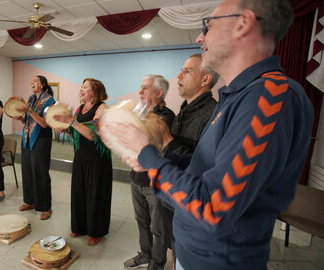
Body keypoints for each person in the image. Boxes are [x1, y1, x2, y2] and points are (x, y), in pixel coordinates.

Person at [109, 0, 314, 269]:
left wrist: (150, 156)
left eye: (208, 25)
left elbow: (213, 209)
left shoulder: (267, 97)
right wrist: (157, 157)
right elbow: (205, 167)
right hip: (192, 252)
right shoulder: (237, 96)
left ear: (243, 24)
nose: (199, 36)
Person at [156, 53, 219, 269]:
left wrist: (167, 140)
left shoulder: (213, 114)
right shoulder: (184, 110)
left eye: (187, 71)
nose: (178, 75)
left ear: (205, 79)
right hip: (172, 199)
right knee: (175, 252)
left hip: (190, 207)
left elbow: (203, 167)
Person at [124, 75, 175, 270]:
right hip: (136, 177)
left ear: (159, 93)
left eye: (145, 88)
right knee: (141, 220)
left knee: (158, 227)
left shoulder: (166, 117)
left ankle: (157, 262)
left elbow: (151, 143)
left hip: (154, 182)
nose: (140, 92)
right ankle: (145, 254)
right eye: (141, 87)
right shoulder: (140, 112)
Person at [53, 78, 112, 246]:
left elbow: (94, 135)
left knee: (95, 196)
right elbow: (77, 134)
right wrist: (65, 129)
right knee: (79, 194)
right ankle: (79, 226)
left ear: (96, 91)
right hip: (80, 157)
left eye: (85, 87)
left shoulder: (102, 108)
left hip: (97, 159)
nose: (81, 89)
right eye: (81, 87)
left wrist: (71, 122)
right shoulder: (79, 109)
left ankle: (96, 231)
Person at [14, 75, 55, 220]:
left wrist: (29, 111)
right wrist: (18, 116)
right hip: (27, 139)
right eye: (31, 81)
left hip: (41, 139)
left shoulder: (49, 100)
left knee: (40, 172)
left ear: (42, 84)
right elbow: (27, 120)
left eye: (35, 81)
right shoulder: (31, 99)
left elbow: (44, 123)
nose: (32, 82)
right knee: (27, 171)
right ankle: (30, 201)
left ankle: (45, 207)